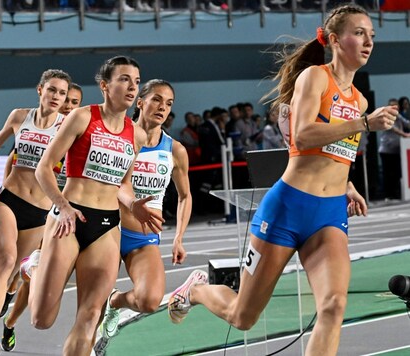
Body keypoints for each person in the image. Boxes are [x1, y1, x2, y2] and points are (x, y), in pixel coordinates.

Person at [167, 5, 398, 356]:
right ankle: (195, 290)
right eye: (359, 33)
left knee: (334, 306)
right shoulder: (315, 78)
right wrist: (364, 124)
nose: (368, 42)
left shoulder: (360, 99)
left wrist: (348, 184)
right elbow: (304, 137)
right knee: (242, 315)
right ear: (335, 39)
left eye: (372, 35)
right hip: (288, 207)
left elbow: (338, 151)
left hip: (329, 214)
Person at [28, 55, 162, 356]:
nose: (132, 87)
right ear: (105, 85)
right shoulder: (82, 117)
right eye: (124, 79)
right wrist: (62, 205)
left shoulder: (136, 135)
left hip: (106, 227)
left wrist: (133, 205)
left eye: (136, 82)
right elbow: (44, 167)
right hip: (70, 217)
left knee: (90, 316)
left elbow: (122, 184)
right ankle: (33, 268)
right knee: (41, 318)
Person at [0, 69, 71, 356]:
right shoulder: (19, 116)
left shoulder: (67, 127)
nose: (56, 97)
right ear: (40, 90)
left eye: (61, 93)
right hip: (8, 200)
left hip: (40, 211)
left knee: (12, 273)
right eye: (51, 90)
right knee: (7, 259)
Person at [98, 79, 192, 345]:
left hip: (143, 238)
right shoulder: (121, 137)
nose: (163, 107)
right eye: (157, 100)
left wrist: (179, 238)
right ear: (140, 102)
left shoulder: (175, 150)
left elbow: (185, 196)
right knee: (91, 309)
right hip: (109, 229)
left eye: (169, 103)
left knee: (150, 301)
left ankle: (115, 301)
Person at [379, 97, 410, 200]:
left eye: (396, 106)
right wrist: (406, 135)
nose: (394, 108)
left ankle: (395, 194)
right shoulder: (385, 116)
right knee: (387, 174)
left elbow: (407, 123)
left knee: (396, 173)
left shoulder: (399, 116)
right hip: (386, 150)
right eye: (392, 106)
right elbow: (394, 129)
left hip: (397, 150)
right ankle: (387, 196)